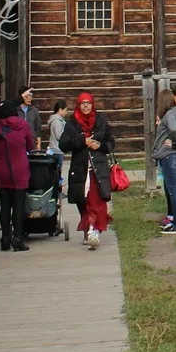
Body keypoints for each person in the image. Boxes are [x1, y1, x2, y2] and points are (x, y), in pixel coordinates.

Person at [60, 92, 116, 249]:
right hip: (80, 169)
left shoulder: (101, 122)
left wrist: (101, 146)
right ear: (78, 106)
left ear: (92, 105)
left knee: (97, 201)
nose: (86, 106)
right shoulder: (72, 124)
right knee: (82, 200)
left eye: (88, 103)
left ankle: (94, 231)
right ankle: (88, 227)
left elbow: (111, 143)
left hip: (98, 168)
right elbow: (63, 145)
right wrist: (82, 141)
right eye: (82, 103)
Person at [0, 102, 35, 252]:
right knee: (18, 206)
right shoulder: (23, 125)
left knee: (5, 206)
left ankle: (5, 239)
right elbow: (30, 146)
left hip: (1, 170)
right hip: (19, 170)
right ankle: (18, 238)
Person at [150, 90, 176, 235]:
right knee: (171, 190)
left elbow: (173, 129)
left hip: (171, 156)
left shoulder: (169, 115)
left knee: (173, 191)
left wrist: (175, 143)